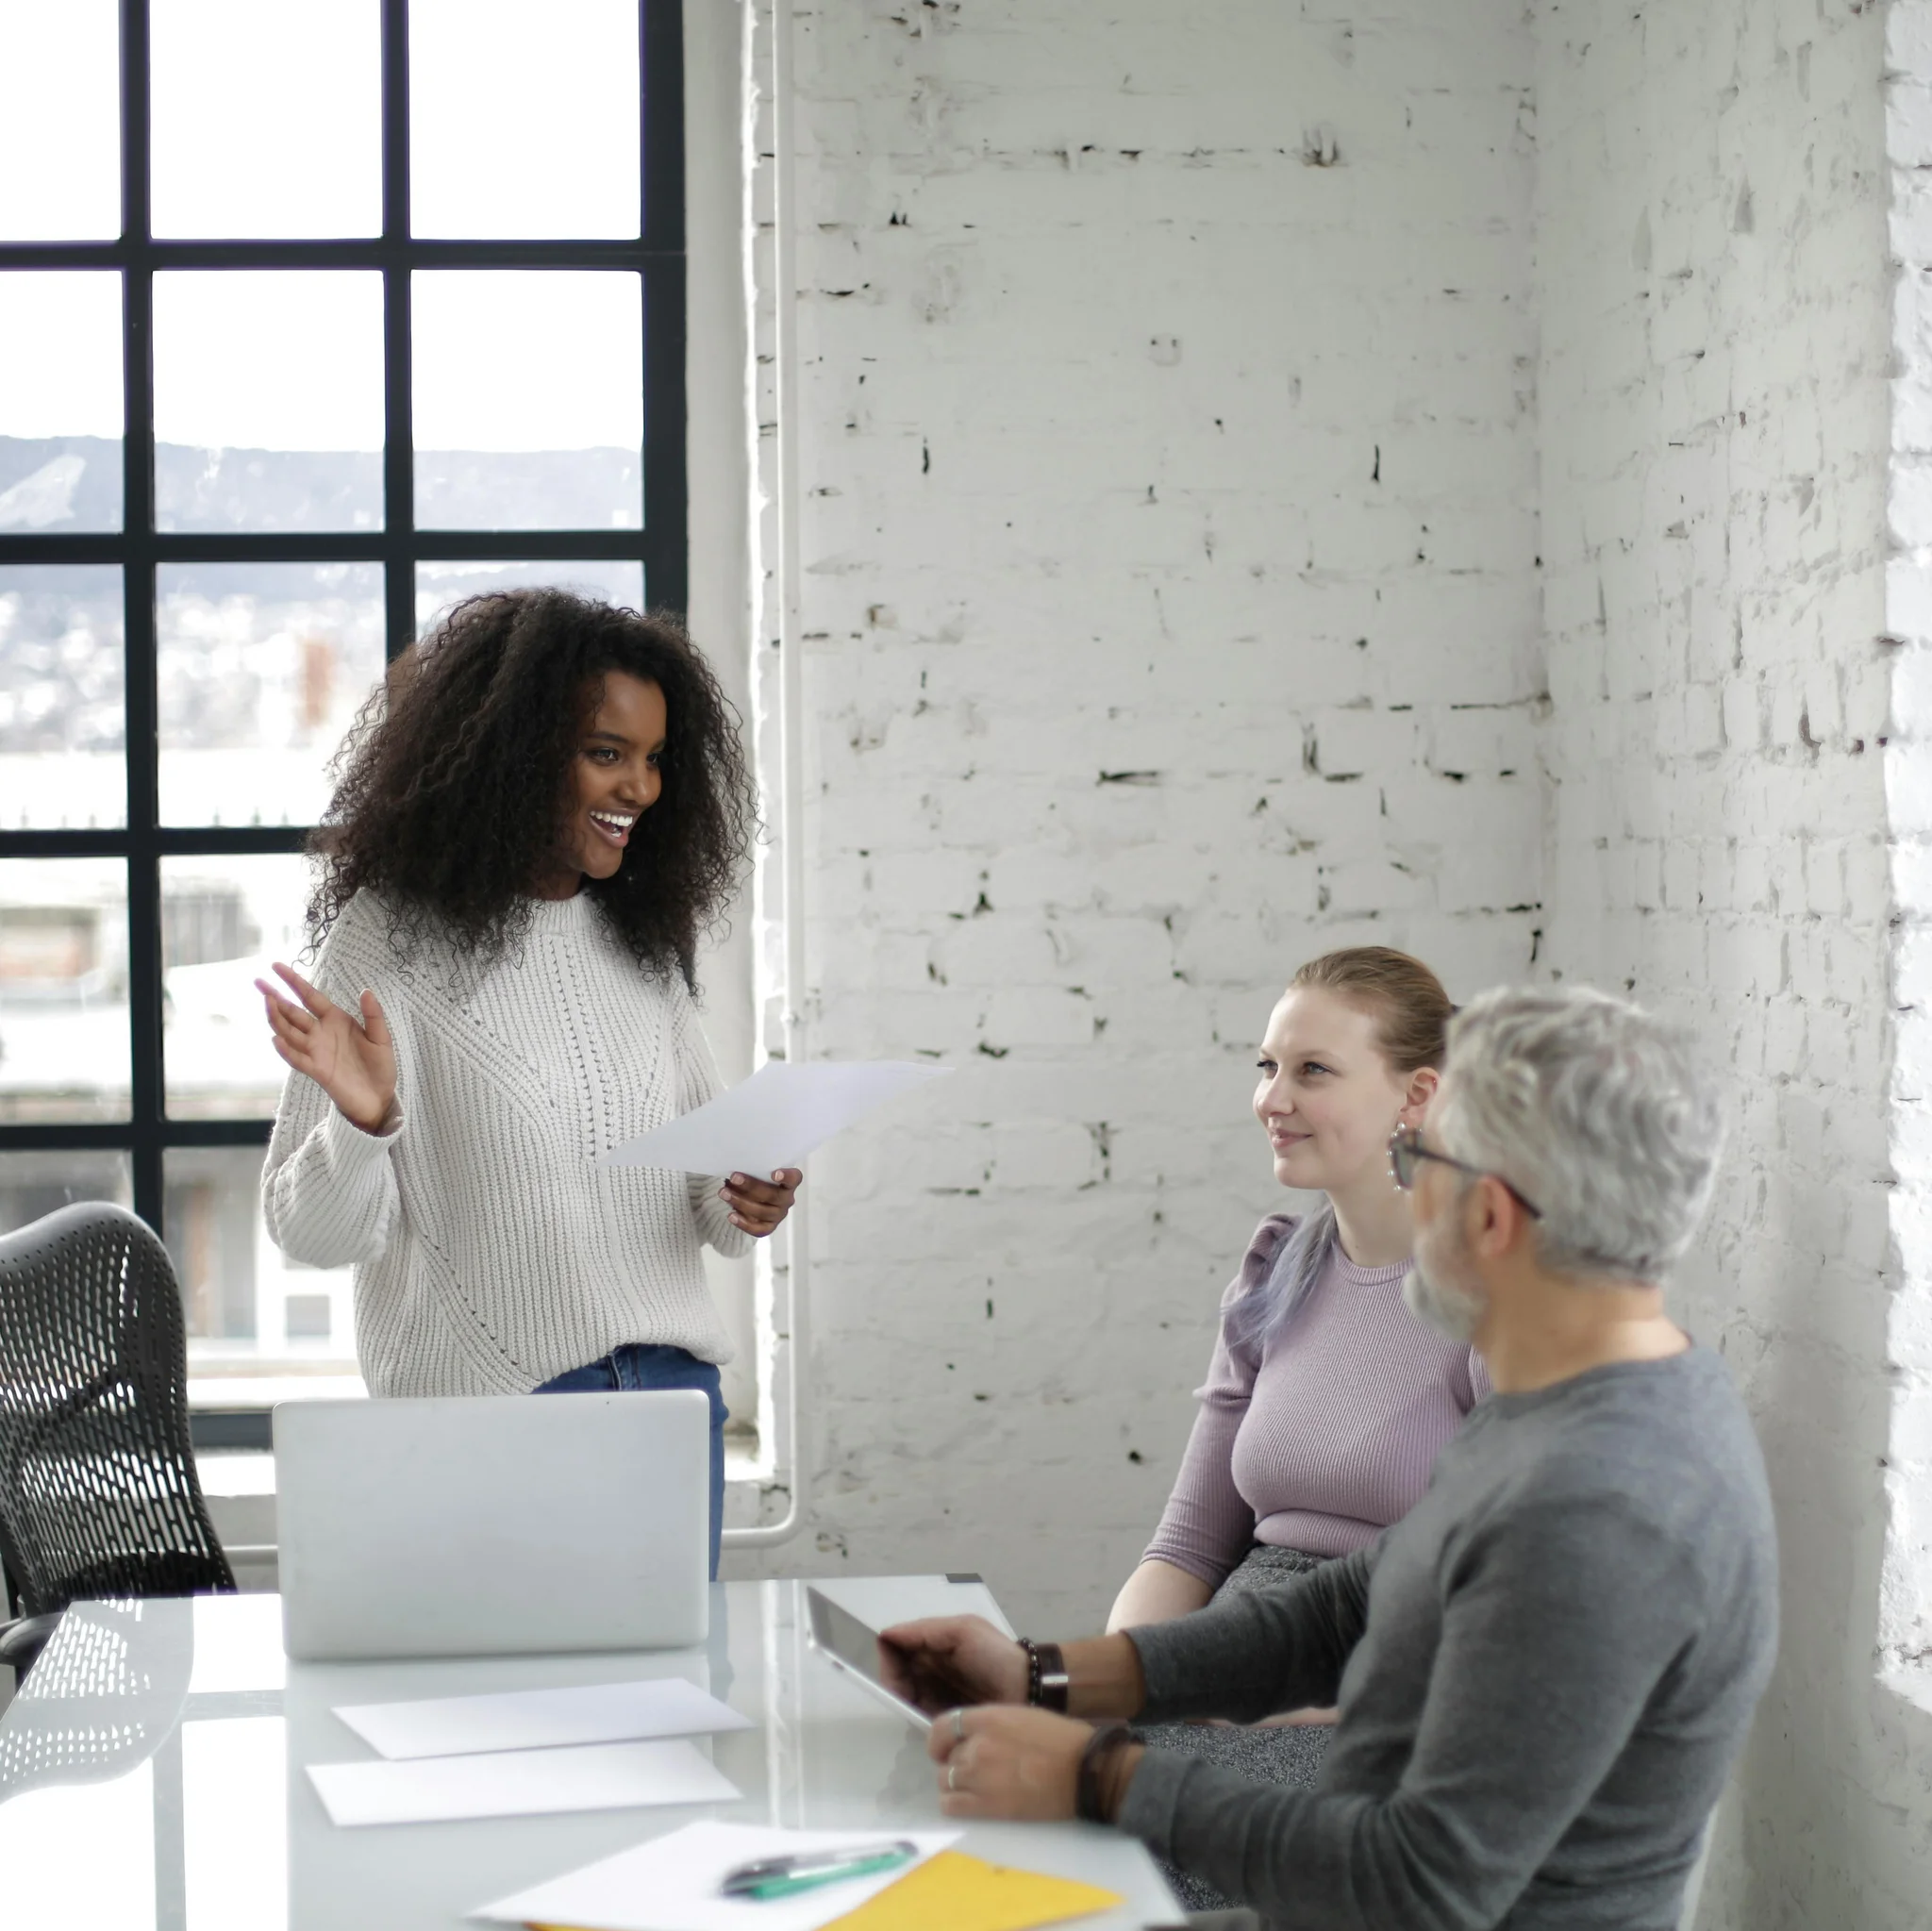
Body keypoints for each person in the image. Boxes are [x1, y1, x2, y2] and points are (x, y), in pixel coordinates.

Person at [881, 986, 1779, 1931]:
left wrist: (1097, 1773)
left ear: (1487, 1218)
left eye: (1413, 1158)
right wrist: (1042, 1675)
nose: (1403, 1186)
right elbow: (1335, 1613)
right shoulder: (1568, 1393)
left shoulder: (1593, 1509)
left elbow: (1417, 1886)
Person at [258, 590, 796, 1578]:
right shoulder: (392, 938)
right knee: (509, 1727)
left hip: (670, 1406)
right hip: (493, 1412)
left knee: (663, 1719)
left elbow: (708, 1214)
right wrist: (365, 1121)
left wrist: (747, 1193)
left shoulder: (636, 938)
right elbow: (312, 1233)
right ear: (511, 751)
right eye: (606, 751)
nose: (638, 786)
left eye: (654, 758)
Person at [1113, 948, 1485, 1905]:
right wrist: (1123, 1680)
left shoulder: (1495, 1299)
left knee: (1138, 1835)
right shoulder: (1277, 1265)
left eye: (1311, 1069)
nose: (1270, 1097)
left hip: (1392, 1698)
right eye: (1265, 1066)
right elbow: (1187, 1544)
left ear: (1418, 1094)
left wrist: (1258, 1702)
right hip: (1240, 1661)